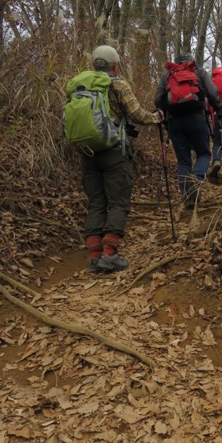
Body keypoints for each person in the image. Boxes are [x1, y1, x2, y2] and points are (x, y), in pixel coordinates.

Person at [81, 45, 163, 273]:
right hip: (114, 151)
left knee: (96, 202)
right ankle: (110, 254)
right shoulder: (117, 84)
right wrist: (156, 118)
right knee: (118, 202)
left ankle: (95, 256)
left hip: (87, 153)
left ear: (94, 64)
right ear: (116, 65)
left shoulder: (80, 86)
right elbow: (137, 115)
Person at [154, 52, 222, 209]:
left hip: (174, 121)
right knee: (204, 153)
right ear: (191, 61)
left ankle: (188, 198)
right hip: (196, 118)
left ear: (176, 62)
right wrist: (220, 110)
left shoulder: (168, 75)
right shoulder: (199, 72)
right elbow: (212, 92)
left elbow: (158, 99)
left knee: (184, 160)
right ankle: (197, 179)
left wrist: (163, 115)